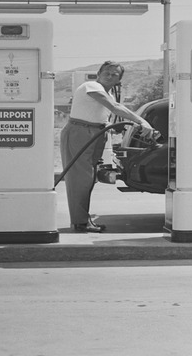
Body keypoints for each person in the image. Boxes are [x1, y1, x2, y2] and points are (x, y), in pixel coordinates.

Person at [60, 61, 155, 232]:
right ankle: (80, 222)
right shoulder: (92, 85)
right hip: (80, 131)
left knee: (89, 177)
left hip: (97, 132)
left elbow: (106, 111)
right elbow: (114, 107)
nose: (110, 76)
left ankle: (82, 219)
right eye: (107, 72)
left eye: (114, 74)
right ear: (99, 73)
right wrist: (141, 121)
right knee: (80, 178)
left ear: (119, 80)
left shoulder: (108, 92)